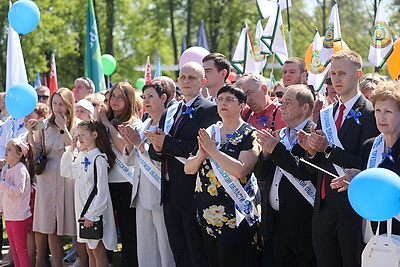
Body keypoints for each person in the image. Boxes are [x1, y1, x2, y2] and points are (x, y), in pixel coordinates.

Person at [297, 50, 380, 267]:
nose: (336, 79)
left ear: (358, 74)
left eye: (342, 73)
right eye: (333, 74)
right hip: (323, 206)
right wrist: (311, 150)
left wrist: (328, 149)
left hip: (351, 207)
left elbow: (367, 163)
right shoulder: (327, 113)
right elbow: (317, 163)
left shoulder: (370, 113)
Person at [147, 62, 219, 267]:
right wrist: (158, 148)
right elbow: (157, 147)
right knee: (178, 249)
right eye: (183, 77)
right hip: (169, 189)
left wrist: (166, 144)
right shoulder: (172, 110)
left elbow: (202, 147)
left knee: (196, 250)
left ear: (202, 81)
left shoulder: (209, 109)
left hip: (192, 189)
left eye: (192, 78)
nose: (186, 81)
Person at [184, 85, 260, 266]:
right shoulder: (210, 131)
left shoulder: (249, 133)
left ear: (242, 106)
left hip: (236, 213)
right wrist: (202, 154)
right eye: (220, 99)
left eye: (229, 99)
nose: (223, 103)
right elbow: (188, 168)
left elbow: (242, 169)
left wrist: (212, 151)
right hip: (207, 212)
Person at [255, 85, 317, 267]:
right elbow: (260, 174)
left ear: (305, 107)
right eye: (281, 102)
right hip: (275, 220)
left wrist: (275, 149)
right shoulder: (280, 135)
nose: (281, 106)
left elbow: (304, 172)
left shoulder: (313, 133)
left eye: (288, 103)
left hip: (301, 223)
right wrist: (266, 155)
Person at [332, 80, 400, 244]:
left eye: (388, 111)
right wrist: (358, 179)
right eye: (377, 110)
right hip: (373, 235)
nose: (381, 117)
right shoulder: (369, 146)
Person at [27, 88, 87, 267]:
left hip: (68, 177)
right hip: (47, 177)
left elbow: (75, 148)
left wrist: (62, 128)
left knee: (74, 224)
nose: (57, 107)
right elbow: (36, 149)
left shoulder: (78, 124)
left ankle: (83, 261)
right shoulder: (43, 124)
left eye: (61, 104)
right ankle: (57, 264)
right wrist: (30, 133)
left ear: (69, 105)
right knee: (50, 225)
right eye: (54, 103)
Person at [119, 81, 175, 267]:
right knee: (146, 247)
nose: (146, 101)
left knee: (165, 247)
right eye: (144, 97)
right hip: (141, 194)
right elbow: (129, 161)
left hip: (161, 193)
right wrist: (129, 143)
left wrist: (138, 144)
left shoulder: (170, 125)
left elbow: (164, 160)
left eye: (151, 96)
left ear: (164, 98)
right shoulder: (143, 125)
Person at [61, 120, 118, 267]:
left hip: (94, 213)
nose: (79, 138)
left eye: (82, 134)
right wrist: (70, 149)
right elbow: (66, 172)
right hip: (83, 211)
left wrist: (93, 215)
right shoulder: (81, 155)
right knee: (90, 250)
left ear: (94, 135)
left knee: (98, 251)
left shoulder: (98, 159)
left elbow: (102, 190)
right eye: (77, 134)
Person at [98, 82, 142, 267]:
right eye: (112, 96)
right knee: (104, 228)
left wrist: (107, 125)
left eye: (120, 97)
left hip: (126, 183)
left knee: (128, 230)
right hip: (104, 182)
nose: (114, 101)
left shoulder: (134, 122)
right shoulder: (103, 119)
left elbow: (123, 147)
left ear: (129, 100)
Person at [0, 139, 34, 267]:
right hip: (10, 215)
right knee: (14, 249)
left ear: (19, 154)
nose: (6, 152)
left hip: (19, 216)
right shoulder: (7, 168)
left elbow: (18, 191)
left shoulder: (20, 169)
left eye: (9, 149)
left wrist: (2, 185)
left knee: (21, 249)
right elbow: (4, 192)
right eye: (6, 149)